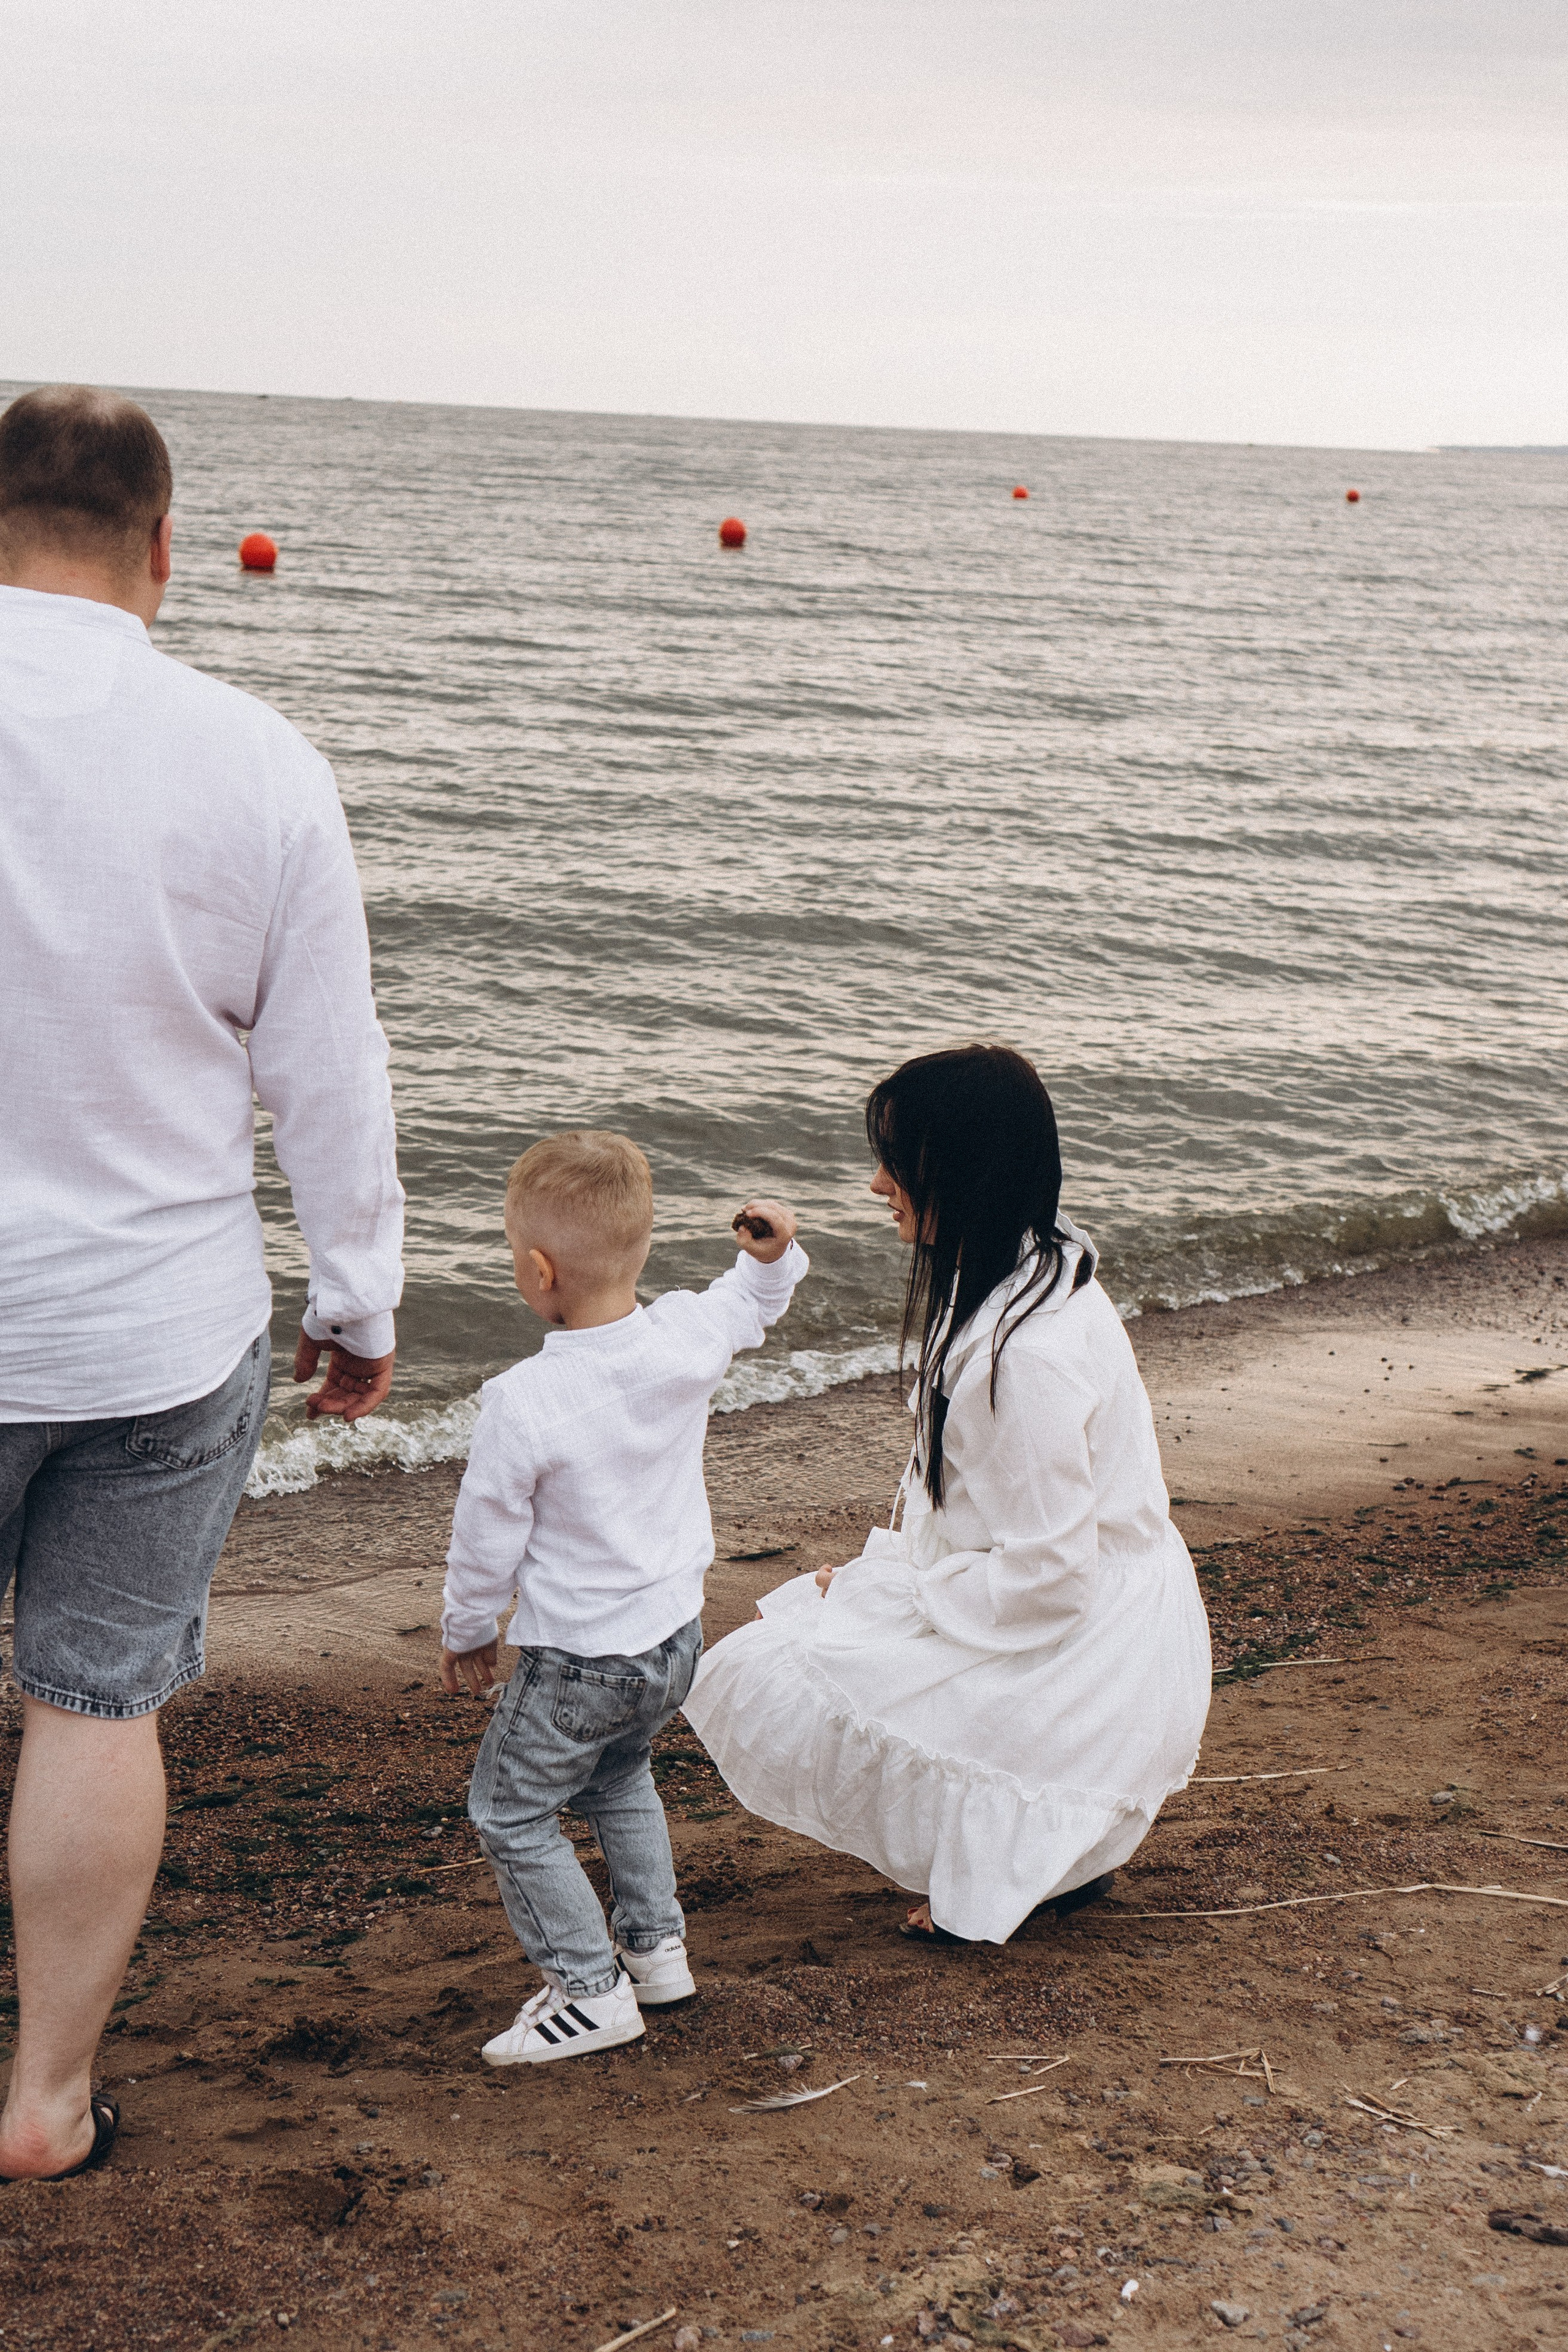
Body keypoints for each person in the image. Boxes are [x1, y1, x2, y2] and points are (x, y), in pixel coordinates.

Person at [0, 386, 405, 2179]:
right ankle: (45, 2101)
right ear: (168, 550)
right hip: (152, 1335)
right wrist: (362, 1298)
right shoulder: (256, 762)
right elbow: (331, 1072)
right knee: (95, 1700)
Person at [683, 1044, 1212, 1945]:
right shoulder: (1036, 1261)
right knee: (811, 1629)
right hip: (1094, 1597)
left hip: (1095, 1640)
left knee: (771, 1669)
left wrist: (894, 1590)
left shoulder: (1029, 1354)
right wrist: (884, 1576)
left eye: (897, 1163)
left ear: (961, 1172)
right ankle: (1057, 1853)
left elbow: (1051, 1577)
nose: (877, 1184)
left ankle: (1042, 1860)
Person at [438, 1133, 807, 2063]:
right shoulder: (684, 1334)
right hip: (674, 1637)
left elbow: (487, 1535)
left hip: (581, 1658)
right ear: (640, 1252)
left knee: (511, 1812)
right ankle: (655, 1950)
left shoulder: (525, 1401)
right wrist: (774, 1253)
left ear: (536, 1271)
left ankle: (589, 1989)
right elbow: (751, 1303)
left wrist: (470, 1630)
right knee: (619, 1775)